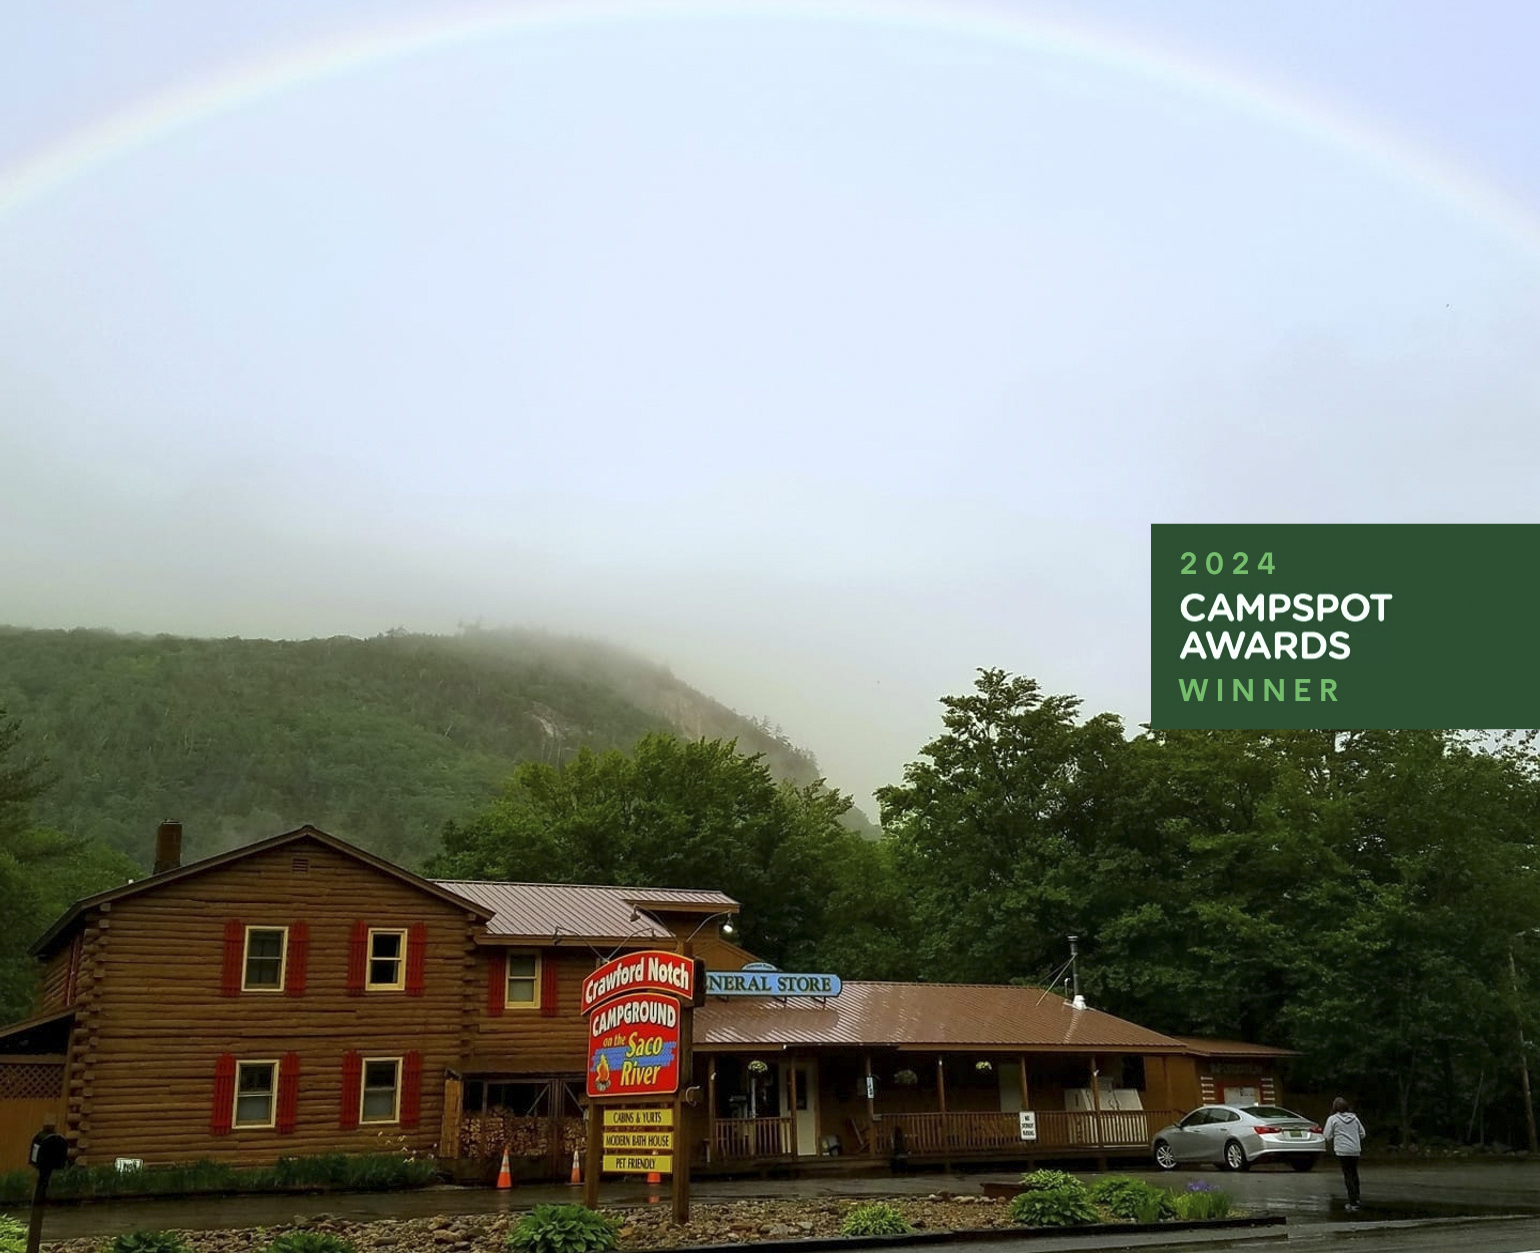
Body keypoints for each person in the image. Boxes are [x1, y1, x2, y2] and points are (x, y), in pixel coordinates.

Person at [1322, 1096, 1366, 1210]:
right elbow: (1362, 1133)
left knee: (1348, 1175)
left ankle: (1352, 1202)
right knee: (1354, 1174)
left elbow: (1327, 1135)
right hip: (1355, 1150)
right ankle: (1357, 1198)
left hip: (1342, 1150)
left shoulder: (1333, 1119)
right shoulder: (1355, 1118)